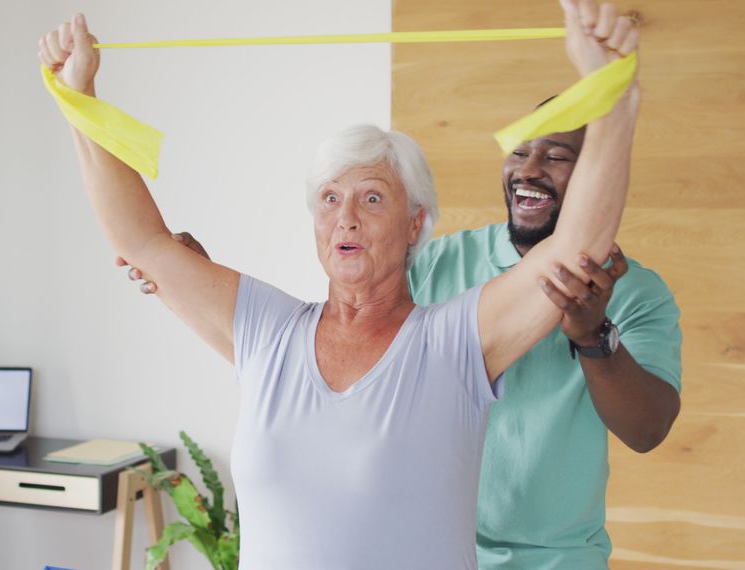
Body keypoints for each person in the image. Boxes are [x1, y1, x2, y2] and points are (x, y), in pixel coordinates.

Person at [38, 0, 641, 567]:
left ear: (415, 225)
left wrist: (612, 95)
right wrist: (77, 98)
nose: (345, 216)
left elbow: (575, 249)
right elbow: (141, 243)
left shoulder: (457, 340)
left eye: (371, 198)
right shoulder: (266, 329)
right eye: (330, 199)